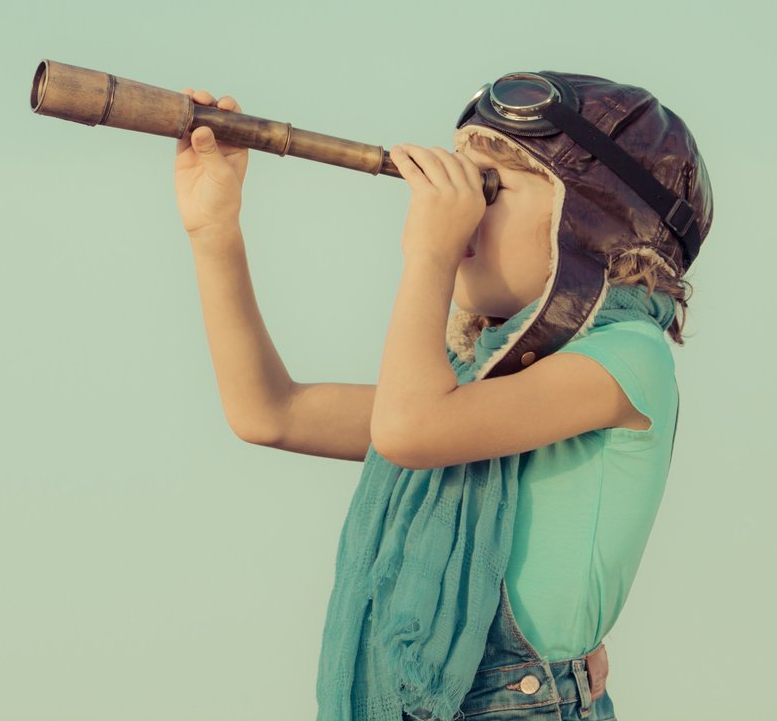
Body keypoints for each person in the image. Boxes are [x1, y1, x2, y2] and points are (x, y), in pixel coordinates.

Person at [176, 71, 711, 721]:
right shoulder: (469, 391)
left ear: (591, 220)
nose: (458, 213)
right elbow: (268, 411)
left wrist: (427, 252)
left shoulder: (629, 356)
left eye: (488, 189)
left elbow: (409, 429)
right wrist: (215, 231)